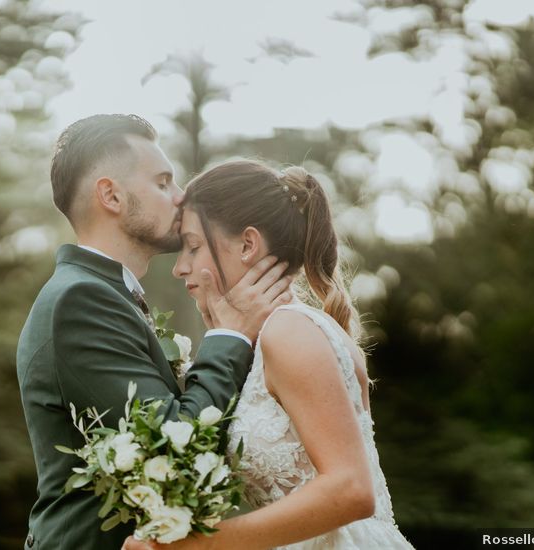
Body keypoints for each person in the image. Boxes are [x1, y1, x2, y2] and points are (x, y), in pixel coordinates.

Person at [16, 116, 293, 550]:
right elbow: (170, 445)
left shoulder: (102, 294)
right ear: (111, 195)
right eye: (164, 182)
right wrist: (231, 335)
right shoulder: (81, 300)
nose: (182, 198)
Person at [124, 160, 413, 549]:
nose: (180, 267)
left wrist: (197, 546)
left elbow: (351, 489)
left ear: (247, 244)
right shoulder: (269, 337)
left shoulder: (289, 330)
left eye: (192, 246)